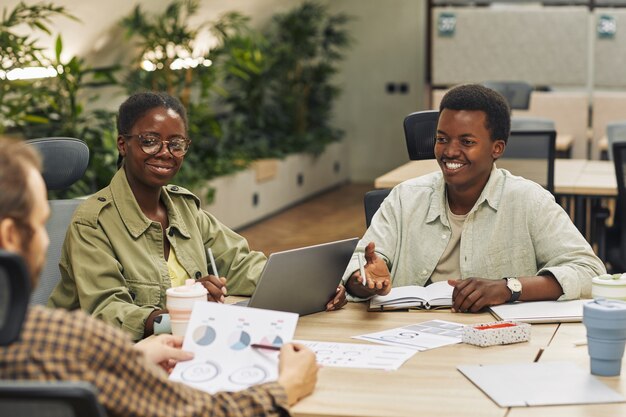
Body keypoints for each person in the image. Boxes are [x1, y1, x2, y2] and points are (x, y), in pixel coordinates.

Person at [0, 136, 318, 416]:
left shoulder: (51, 348)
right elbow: (199, 413)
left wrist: (129, 357)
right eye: (40, 224)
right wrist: (287, 387)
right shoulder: (65, 342)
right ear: (11, 236)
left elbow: (239, 261)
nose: (46, 240)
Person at [49, 92, 346, 340]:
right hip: (105, 360)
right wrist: (184, 310)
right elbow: (107, 312)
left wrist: (313, 285)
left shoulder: (183, 208)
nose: (165, 152)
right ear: (123, 144)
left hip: (183, 346)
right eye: (150, 140)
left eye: (176, 144)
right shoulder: (93, 221)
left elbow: (240, 264)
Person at [342, 84, 606, 312]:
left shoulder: (529, 201)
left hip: (494, 345)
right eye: (442, 139)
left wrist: (508, 288)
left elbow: (590, 272)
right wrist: (363, 280)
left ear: (497, 148)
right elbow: (356, 270)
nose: (450, 151)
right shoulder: (404, 198)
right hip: (405, 338)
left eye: (467, 142)